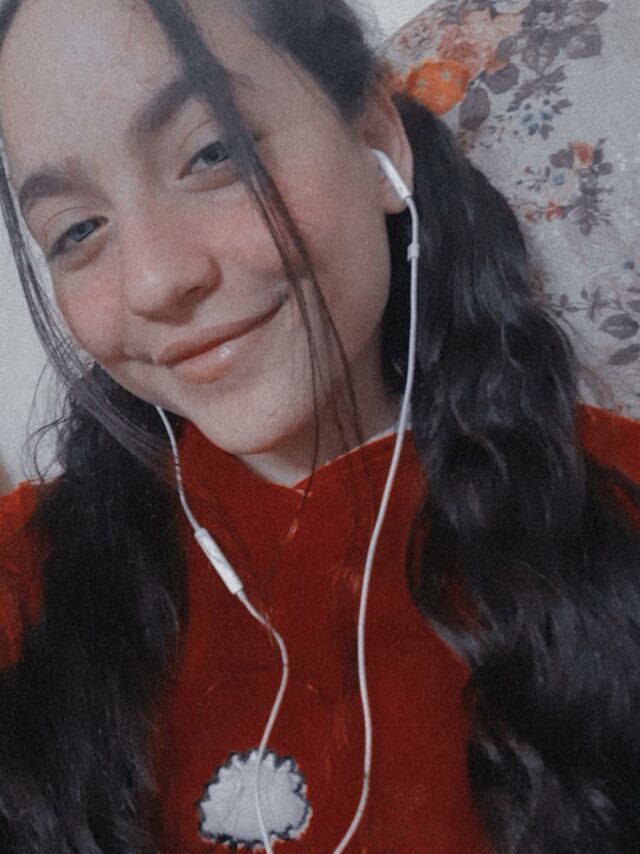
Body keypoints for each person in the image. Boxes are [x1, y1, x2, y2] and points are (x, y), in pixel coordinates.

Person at [0, 0, 638, 851]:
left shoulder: (617, 505)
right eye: (77, 230)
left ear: (376, 136)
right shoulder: (28, 582)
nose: (153, 281)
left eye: (214, 152)